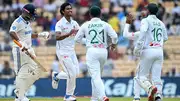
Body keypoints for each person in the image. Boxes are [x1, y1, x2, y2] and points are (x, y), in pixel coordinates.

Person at [75, 6, 118, 101]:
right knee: (96, 76)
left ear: (90, 15)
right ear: (100, 14)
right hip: (103, 51)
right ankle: (94, 98)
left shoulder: (86, 24)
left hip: (92, 51)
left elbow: (77, 39)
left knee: (95, 77)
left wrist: (87, 41)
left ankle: (103, 96)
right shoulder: (105, 24)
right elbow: (114, 36)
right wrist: (114, 45)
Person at [9, 4, 50, 101]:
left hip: (29, 49)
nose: (33, 16)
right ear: (26, 13)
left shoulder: (27, 22)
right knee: (20, 74)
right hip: (20, 50)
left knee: (36, 72)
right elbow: (11, 32)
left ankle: (20, 94)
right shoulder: (18, 22)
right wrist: (20, 43)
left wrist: (40, 35)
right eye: (32, 14)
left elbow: (28, 35)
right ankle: (19, 96)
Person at [133, 3, 168, 101]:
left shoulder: (145, 20)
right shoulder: (161, 23)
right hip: (159, 51)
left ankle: (150, 88)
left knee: (141, 76)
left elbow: (143, 33)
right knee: (156, 77)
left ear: (148, 11)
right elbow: (165, 38)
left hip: (148, 50)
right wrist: (157, 43)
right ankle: (158, 96)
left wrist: (138, 48)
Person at [52, 2, 79, 101]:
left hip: (72, 51)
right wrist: (68, 34)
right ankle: (68, 95)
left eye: (71, 8)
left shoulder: (75, 23)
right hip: (62, 52)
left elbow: (79, 36)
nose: (70, 10)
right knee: (71, 73)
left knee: (76, 73)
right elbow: (57, 37)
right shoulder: (59, 23)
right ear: (63, 11)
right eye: (67, 9)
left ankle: (57, 75)